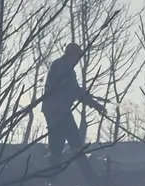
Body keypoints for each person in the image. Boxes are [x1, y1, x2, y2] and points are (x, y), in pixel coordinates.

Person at [43, 42, 108, 176]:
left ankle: (52, 179)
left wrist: (93, 103)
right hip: (58, 112)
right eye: (77, 56)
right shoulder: (62, 67)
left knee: (60, 147)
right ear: (71, 55)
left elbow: (75, 91)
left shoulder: (66, 68)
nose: (78, 60)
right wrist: (94, 103)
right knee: (72, 145)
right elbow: (73, 91)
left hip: (58, 111)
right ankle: (89, 178)